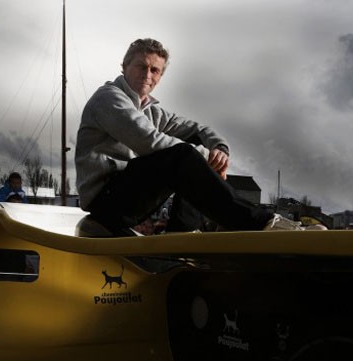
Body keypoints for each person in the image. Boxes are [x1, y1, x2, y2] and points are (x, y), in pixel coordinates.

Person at [75, 38, 325, 235]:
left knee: (194, 144)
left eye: (155, 70)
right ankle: (261, 222)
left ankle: (182, 231)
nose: (148, 75)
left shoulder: (151, 110)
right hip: (105, 201)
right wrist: (207, 158)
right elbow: (148, 142)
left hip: (127, 197)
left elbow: (195, 128)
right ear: (124, 66)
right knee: (183, 155)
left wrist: (219, 149)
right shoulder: (109, 98)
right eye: (141, 66)